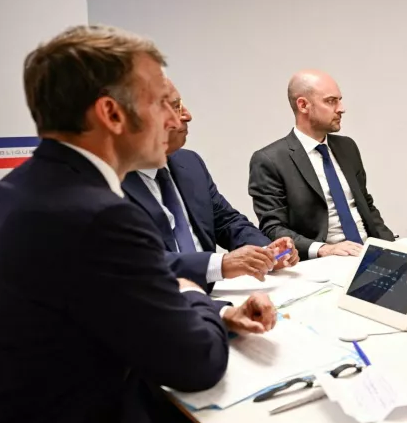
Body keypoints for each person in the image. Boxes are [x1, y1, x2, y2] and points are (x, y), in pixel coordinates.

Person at [0, 25, 304, 423]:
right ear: (111, 113)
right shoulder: (100, 217)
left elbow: (114, 305)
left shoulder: (15, 190)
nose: (173, 120)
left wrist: (219, 313)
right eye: (160, 102)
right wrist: (191, 292)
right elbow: (198, 364)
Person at [123, 78, 299, 290]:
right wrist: (220, 264)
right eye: (175, 107)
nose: (187, 115)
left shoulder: (189, 162)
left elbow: (226, 221)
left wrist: (266, 252)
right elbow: (137, 261)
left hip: (211, 296)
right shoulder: (110, 183)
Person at [249, 70, 394, 260]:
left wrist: (392, 248)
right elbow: (273, 228)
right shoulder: (270, 160)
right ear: (303, 105)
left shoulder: (347, 147)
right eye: (331, 101)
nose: (341, 108)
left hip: (368, 252)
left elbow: (366, 205)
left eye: (339, 100)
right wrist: (324, 249)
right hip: (324, 260)